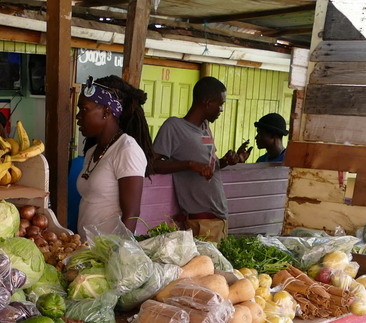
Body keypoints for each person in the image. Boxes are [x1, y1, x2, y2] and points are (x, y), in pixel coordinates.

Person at [151, 76, 250, 242]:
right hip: (202, 221)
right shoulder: (174, 126)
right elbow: (152, 164)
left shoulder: (205, 128)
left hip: (218, 218)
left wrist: (227, 161)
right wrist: (189, 164)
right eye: (220, 104)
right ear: (207, 102)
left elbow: (209, 165)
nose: (221, 110)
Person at [74, 75, 154, 238]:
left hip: (109, 252)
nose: (78, 116)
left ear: (106, 111)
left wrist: (117, 253)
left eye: (84, 109)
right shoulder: (92, 152)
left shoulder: (127, 149)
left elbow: (131, 213)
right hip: (86, 250)